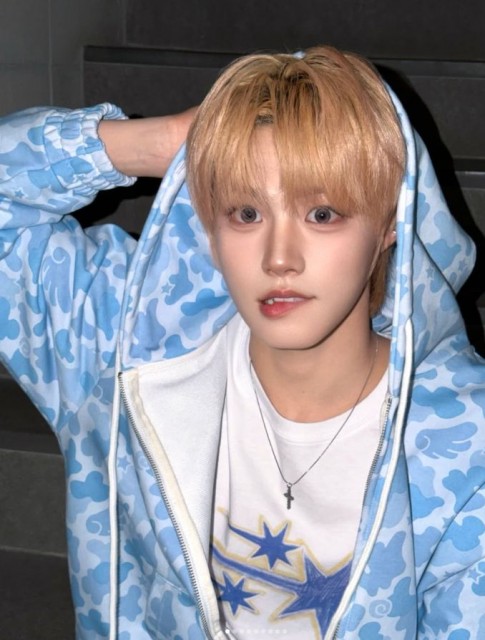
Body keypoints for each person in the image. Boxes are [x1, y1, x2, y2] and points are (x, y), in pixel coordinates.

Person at [0, 45, 484, 640]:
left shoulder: (465, 445)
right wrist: (160, 144)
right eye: (246, 213)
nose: (280, 259)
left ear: (390, 224)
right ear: (208, 225)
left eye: (323, 214)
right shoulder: (115, 348)